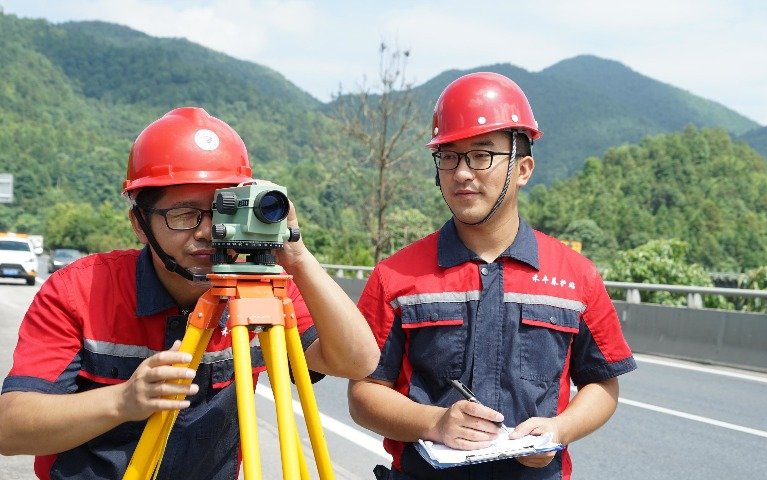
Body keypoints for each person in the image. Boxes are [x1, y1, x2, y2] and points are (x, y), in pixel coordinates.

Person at [0, 107, 380, 479]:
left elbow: (356, 362)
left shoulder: (262, 291)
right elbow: (11, 426)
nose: (206, 232)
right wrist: (121, 401)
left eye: (221, 211)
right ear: (139, 222)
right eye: (184, 215)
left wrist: (296, 256)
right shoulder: (80, 290)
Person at [348, 72, 637, 479]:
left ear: (523, 169)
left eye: (481, 155)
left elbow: (603, 385)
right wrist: (435, 423)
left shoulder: (576, 276)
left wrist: (559, 429)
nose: (462, 173)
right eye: (449, 156)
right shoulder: (395, 276)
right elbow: (363, 394)